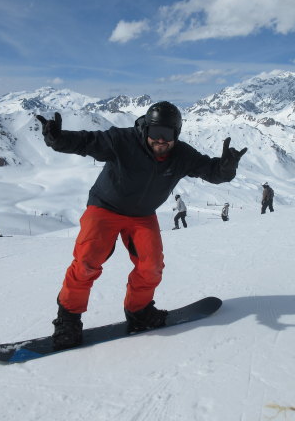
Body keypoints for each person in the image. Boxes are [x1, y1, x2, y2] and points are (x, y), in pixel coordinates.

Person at [36, 101, 247, 348]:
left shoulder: (182, 155)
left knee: (152, 266)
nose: (161, 140)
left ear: (176, 134)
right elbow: (86, 142)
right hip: (105, 208)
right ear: (145, 129)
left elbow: (212, 172)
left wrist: (226, 167)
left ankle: (139, 312)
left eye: (168, 134)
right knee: (86, 262)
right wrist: (57, 138)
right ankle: (68, 321)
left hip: (142, 215)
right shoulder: (121, 141)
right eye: (156, 133)